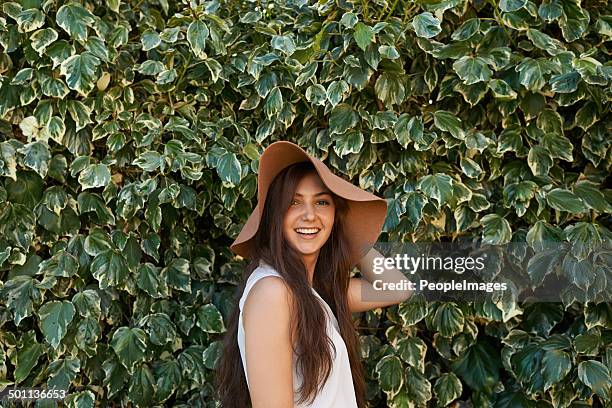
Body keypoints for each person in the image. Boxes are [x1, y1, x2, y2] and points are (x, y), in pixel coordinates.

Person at [215, 141, 412, 408]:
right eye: (294, 202)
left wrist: (348, 233)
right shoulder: (273, 292)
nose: (310, 215)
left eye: (322, 202)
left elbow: (398, 288)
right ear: (274, 215)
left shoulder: (312, 291)